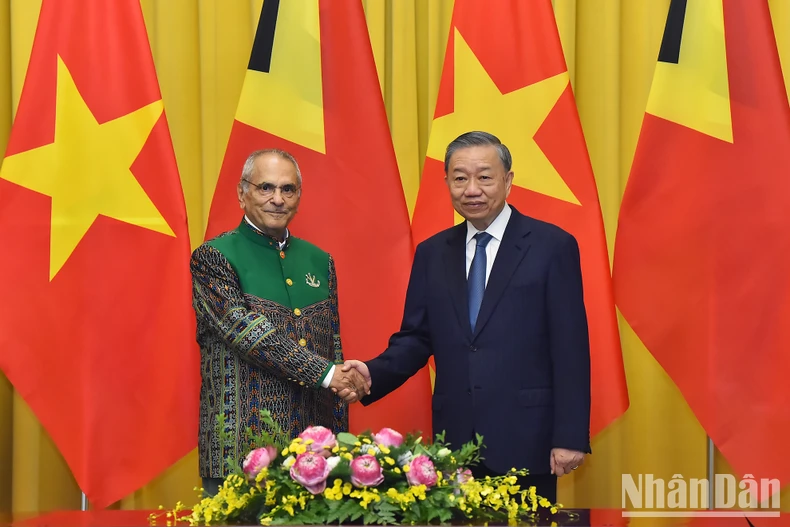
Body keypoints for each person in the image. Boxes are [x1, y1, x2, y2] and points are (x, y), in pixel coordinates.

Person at [342, 131, 591, 503]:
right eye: (460, 178)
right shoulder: (432, 253)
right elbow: (417, 338)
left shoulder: (552, 246)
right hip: (455, 443)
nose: (471, 188)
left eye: (484, 177)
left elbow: (570, 348)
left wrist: (569, 436)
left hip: (527, 440)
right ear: (447, 183)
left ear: (508, 180)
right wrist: (372, 373)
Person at [190, 148, 368, 496]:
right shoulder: (213, 258)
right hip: (239, 453)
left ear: (299, 196)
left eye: (288, 189)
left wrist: (338, 441)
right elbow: (252, 336)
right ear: (243, 193)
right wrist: (331, 375)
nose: (277, 199)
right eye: (265, 188)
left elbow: (332, 346)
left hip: (316, 456)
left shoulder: (320, 261)